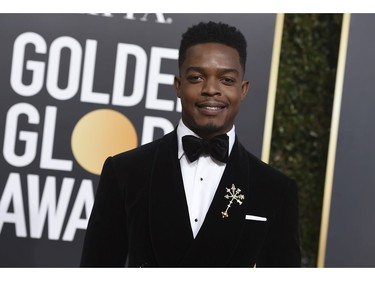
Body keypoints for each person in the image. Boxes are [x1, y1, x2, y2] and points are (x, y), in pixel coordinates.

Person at [80, 21, 301, 267]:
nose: (211, 90)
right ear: (178, 85)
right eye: (197, 77)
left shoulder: (276, 189)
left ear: (243, 89)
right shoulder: (124, 172)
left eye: (226, 80)